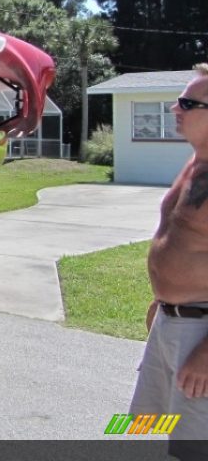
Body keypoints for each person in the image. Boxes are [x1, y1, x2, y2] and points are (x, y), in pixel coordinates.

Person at [129, 63, 208, 445]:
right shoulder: (195, 162)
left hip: (200, 334)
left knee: (191, 446)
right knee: (145, 430)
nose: (175, 109)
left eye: (187, 103)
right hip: (169, 322)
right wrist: (161, 300)